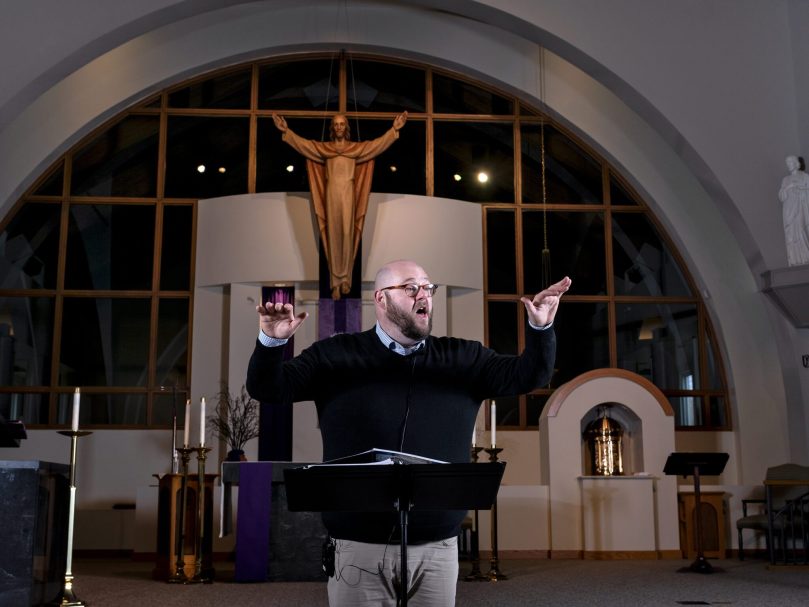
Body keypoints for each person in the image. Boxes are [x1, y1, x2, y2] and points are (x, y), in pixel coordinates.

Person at [246, 259, 571, 607]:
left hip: (438, 548)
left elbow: (528, 375)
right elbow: (269, 389)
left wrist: (541, 327)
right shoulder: (335, 355)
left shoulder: (464, 358)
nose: (424, 296)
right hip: (359, 548)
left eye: (428, 288)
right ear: (382, 299)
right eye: (411, 287)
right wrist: (271, 343)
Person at [272, 112, 408, 298]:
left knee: (347, 233)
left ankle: (346, 279)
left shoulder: (355, 149)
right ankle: (335, 281)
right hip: (331, 195)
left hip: (348, 195)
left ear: (346, 127)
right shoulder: (325, 149)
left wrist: (394, 130)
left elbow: (376, 146)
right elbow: (305, 145)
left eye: (342, 124)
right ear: (332, 128)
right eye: (335, 124)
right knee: (333, 234)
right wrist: (286, 131)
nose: (338, 128)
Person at [778, 154, 809, 266]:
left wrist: (798, 187)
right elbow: (781, 196)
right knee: (790, 232)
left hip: (800, 208)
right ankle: (794, 258)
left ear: (796, 163)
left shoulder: (805, 176)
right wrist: (788, 187)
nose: (788, 165)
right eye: (787, 163)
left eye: (790, 162)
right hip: (788, 209)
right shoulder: (785, 180)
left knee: (800, 229)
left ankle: (805, 256)